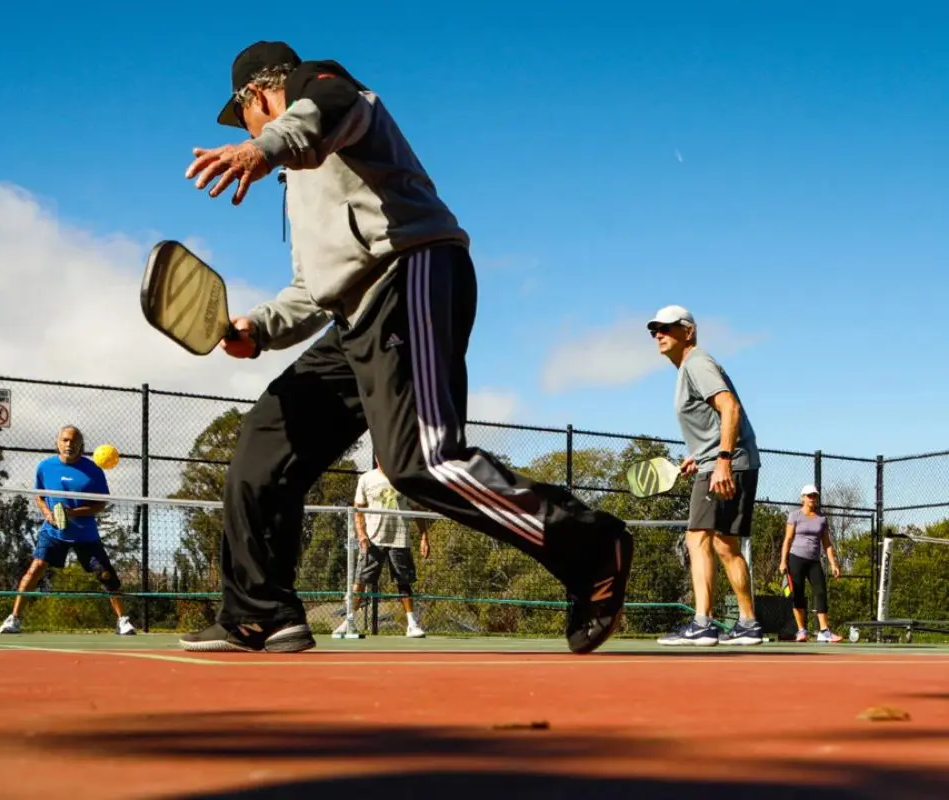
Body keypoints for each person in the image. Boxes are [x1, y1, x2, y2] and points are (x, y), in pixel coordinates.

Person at [177, 41, 633, 655]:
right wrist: (256, 329)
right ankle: (260, 612)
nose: (250, 129)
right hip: (354, 315)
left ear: (256, 96)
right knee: (264, 442)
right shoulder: (298, 181)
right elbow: (314, 290)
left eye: (246, 119)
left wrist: (262, 148)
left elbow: (328, 105)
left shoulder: (326, 87)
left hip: (409, 272)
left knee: (423, 461)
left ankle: (591, 546)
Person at [649, 305, 764, 646]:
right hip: (732, 460)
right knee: (725, 544)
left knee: (696, 537)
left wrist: (722, 461)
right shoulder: (692, 367)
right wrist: (696, 457)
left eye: (667, 328)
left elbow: (730, 407)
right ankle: (748, 623)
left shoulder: (697, 363)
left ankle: (703, 622)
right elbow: (717, 420)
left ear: (689, 331)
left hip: (725, 463)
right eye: (655, 329)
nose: (659, 334)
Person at [0, 426, 135, 636]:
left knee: (106, 575)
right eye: (65, 440)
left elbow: (100, 504)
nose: (69, 444)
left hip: (85, 534)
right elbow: (39, 495)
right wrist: (47, 513)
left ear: (81, 445)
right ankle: (14, 618)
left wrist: (74, 512)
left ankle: (122, 621)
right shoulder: (45, 467)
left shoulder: (94, 471)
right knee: (36, 568)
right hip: (53, 532)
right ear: (58, 443)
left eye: (73, 441)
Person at [334, 458, 431, 639]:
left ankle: (412, 624)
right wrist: (362, 534)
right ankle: (349, 621)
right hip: (373, 540)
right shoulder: (366, 479)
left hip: (400, 539)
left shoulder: (404, 480)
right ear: (377, 457)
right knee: (360, 580)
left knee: (404, 582)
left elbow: (417, 510)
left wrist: (424, 537)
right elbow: (358, 510)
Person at [780, 484, 843, 642]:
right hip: (796, 558)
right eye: (809, 496)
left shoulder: (822, 518)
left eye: (814, 495)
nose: (812, 498)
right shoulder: (795, 516)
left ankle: (824, 632)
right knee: (798, 594)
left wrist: (834, 564)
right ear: (803, 498)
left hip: (814, 561)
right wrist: (783, 562)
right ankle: (801, 631)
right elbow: (787, 540)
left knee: (820, 592)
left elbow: (827, 544)